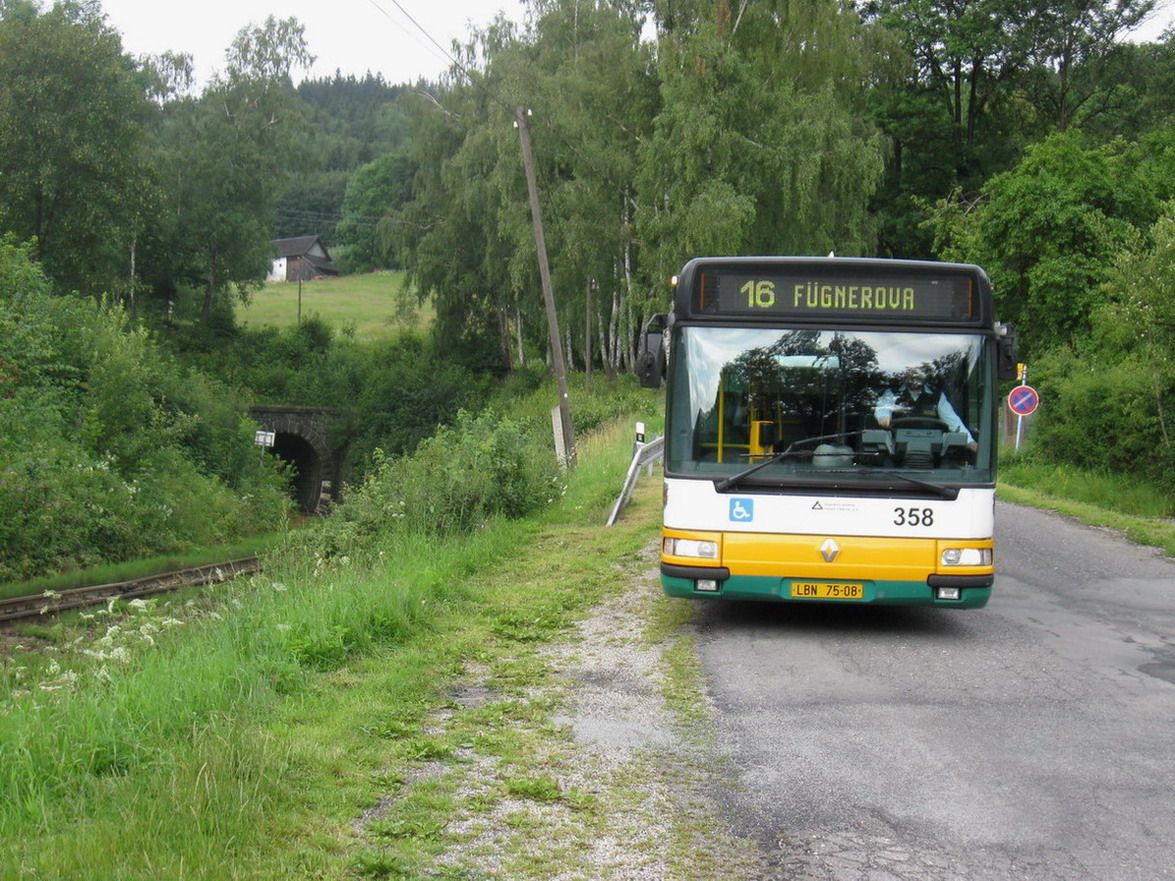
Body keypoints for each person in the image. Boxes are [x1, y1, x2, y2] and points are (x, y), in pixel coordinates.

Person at [874, 370, 977, 452]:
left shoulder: (937, 396)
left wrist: (970, 442)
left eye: (919, 373)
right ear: (906, 373)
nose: (915, 377)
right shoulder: (892, 393)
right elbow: (882, 408)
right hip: (896, 452)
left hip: (933, 453)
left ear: (926, 375)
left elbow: (953, 421)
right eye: (912, 373)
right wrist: (883, 417)